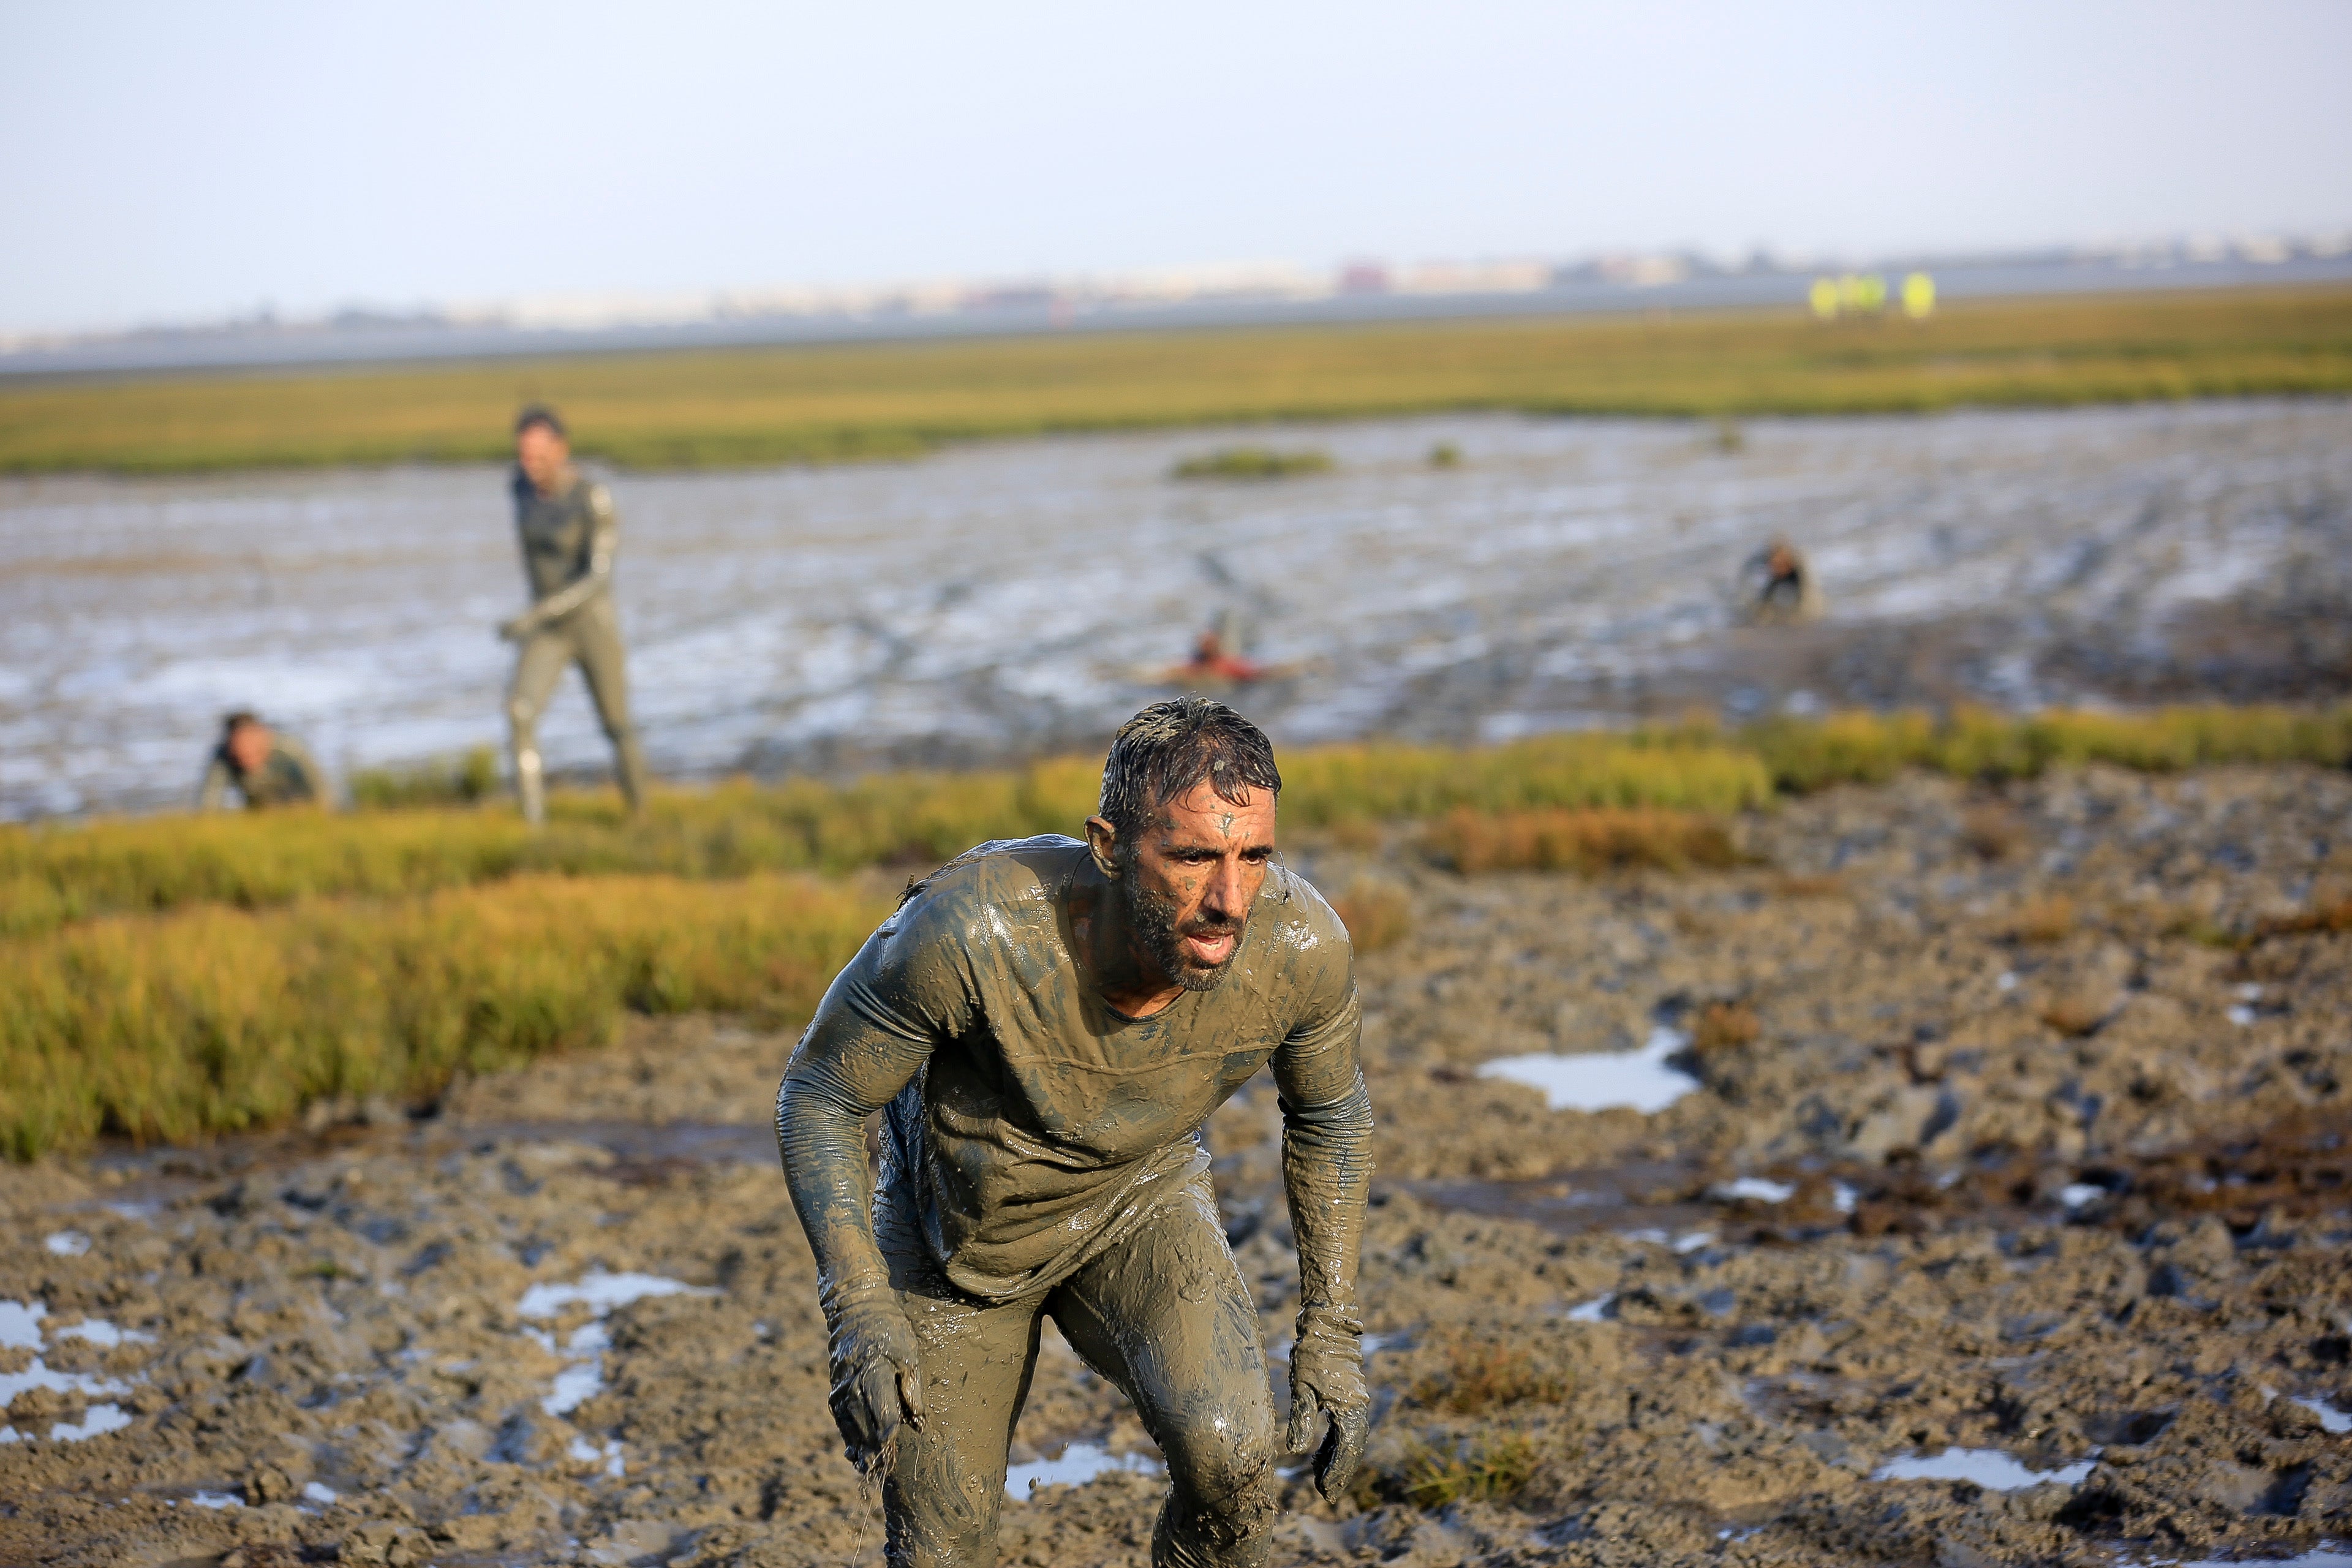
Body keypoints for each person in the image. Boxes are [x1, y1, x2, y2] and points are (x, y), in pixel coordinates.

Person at [776, 698, 1373, 1568]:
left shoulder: (1302, 948)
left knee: (1234, 1457)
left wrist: (1332, 1333)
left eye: (1254, 857)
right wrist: (859, 1310)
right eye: (1193, 857)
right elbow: (821, 1095)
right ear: (1108, 847)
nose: (1229, 901)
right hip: (954, 1239)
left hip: (1138, 1204)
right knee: (945, 1546)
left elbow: (1331, 1116)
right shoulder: (970, 930)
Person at [499, 404, 648, 825]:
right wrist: (538, 619)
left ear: (561, 449)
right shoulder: (519, 491)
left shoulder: (592, 499)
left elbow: (597, 578)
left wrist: (534, 615)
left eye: (539, 455)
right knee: (519, 712)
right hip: (547, 629)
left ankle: (641, 818)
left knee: (616, 723)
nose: (531, 465)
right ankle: (534, 828)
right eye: (524, 456)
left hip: (591, 623)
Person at [195, 711, 329, 810]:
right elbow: (209, 803)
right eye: (237, 748)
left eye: (249, 743)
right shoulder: (222, 756)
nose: (245, 753)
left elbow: (320, 786)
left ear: (262, 734)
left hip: (300, 809)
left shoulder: (290, 748)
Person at [1744, 533, 1826, 624]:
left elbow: (1808, 591)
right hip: (1774, 577)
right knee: (1763, 599)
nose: (1778, 567)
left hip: (1794, 574)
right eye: (1775, 564)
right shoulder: (1763, 561)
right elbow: (1747, 578)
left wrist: (1804, 615)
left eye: (1781, 564)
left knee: (1806, 602)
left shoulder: (1799, 564)